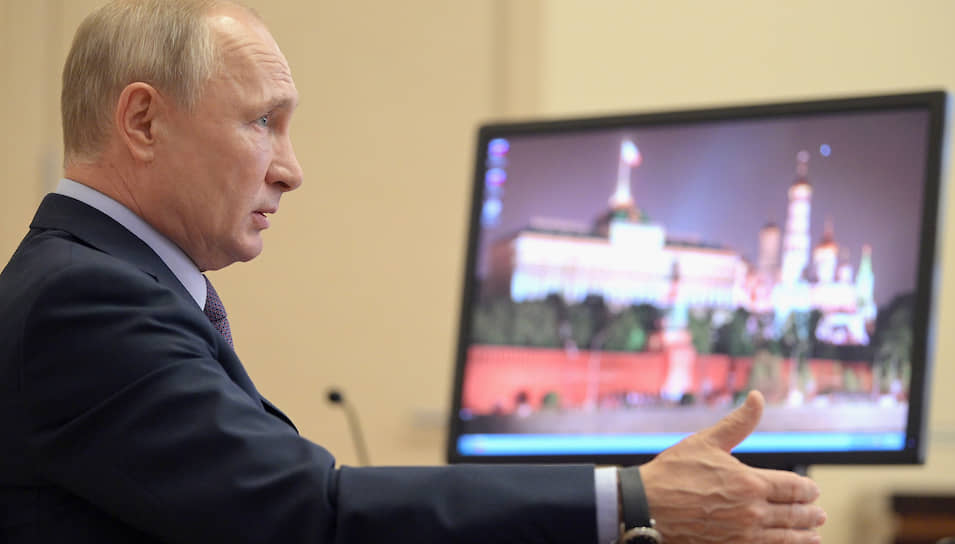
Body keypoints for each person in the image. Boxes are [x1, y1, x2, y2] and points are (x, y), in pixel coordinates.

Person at [0, 1, 826, 542]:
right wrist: (632, 499)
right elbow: (309, 516)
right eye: (263, 123)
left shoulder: (94, 283)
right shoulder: (87, 301)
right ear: (143, 121)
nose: (292, 170)